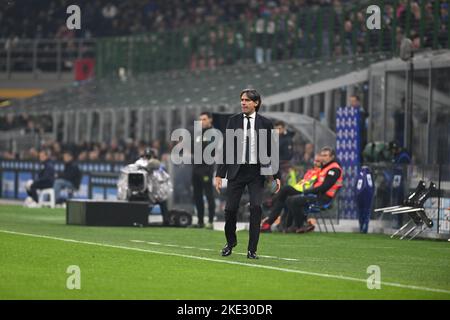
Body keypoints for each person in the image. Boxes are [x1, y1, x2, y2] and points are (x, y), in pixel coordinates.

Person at [214, 88, 281, 259]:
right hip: (236, 172)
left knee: (256, 208)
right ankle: (231, 242)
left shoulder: (266, 123)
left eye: (247, 100)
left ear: (256, 103)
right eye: (242, 100)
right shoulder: (233, 121)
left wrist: (277, 175)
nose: (243, 103)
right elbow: (227, 149)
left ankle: (252, 250)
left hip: (256, 173)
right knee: (230, 209)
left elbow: (272, 150)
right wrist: (219, 174)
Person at [285, 146, 343, 233]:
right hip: (317, 195)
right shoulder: (325, 167)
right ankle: (292, 226)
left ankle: (300, 225)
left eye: (326, 155)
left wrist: (309, 191)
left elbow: (325, 187)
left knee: (294, 200)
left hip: (323, 198)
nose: (323, 157)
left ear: (332, 157)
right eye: (322, 155)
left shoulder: (334, 169)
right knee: (290, 199)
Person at [260, 154, 322, 232]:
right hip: (297, 189)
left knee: (285, 189)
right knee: (281, 200)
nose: (316, 162)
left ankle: (271, 203)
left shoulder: (321, 173)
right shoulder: (310, 171)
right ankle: (269, 223)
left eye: (318, 161)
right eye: (315, 160)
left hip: (305, 192)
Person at [191, 111, 216, 229]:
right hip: (196, 169)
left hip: (206, 170)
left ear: (210, 120)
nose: (202, 122)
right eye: (200, 119)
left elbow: (212, 153)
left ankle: (210, 221)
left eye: (204, 119)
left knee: (209, 195)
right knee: (197, 196)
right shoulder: (197, 133)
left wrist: (208, 169)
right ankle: (200, 221)